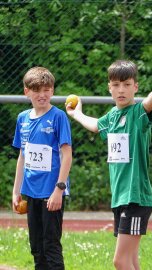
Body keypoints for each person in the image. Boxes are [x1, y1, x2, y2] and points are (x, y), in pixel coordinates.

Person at [66, 60, 152, 270]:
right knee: (131, 260)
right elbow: (95, 125)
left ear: (135, 87)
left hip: (136, 197)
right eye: (116, 85)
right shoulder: (113, 116)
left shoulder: (137, 113)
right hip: (120, 197)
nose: (121, 89)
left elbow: (149, 102)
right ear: (109, 88)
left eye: (126, 84)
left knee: (120, 261)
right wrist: (76, 113)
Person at [12, 67, 73, 270]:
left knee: (51, 246)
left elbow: (67, 155)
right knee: (36, 247)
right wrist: (16, 191)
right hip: (31, 192)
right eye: (37, 90)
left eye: (47, 89)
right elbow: (22, 156)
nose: (42, 95)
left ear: (53, 91)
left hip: (51, 192)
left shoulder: (58, 117)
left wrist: (59, 189)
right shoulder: (22, 119)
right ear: (26, 92)